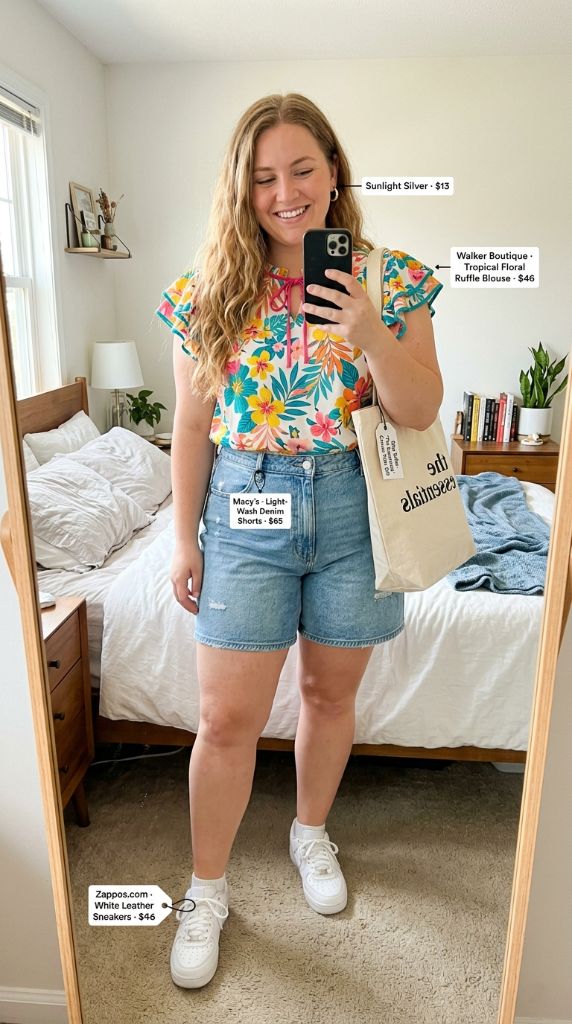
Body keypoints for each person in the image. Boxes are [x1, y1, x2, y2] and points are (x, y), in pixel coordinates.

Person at [155, 92, 444, 989]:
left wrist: (369, 332)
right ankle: (206, 890)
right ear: (241, 190)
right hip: (246, 501)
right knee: (224, 720)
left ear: (333, 170)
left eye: (303, 169)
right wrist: (183, 539)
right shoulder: (209, 289)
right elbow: (191, 428)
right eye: (264, 177)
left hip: (356, 504)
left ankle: (309, 833)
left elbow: (421, 410)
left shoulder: (391, 279)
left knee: (327, 693)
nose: (286, 193)